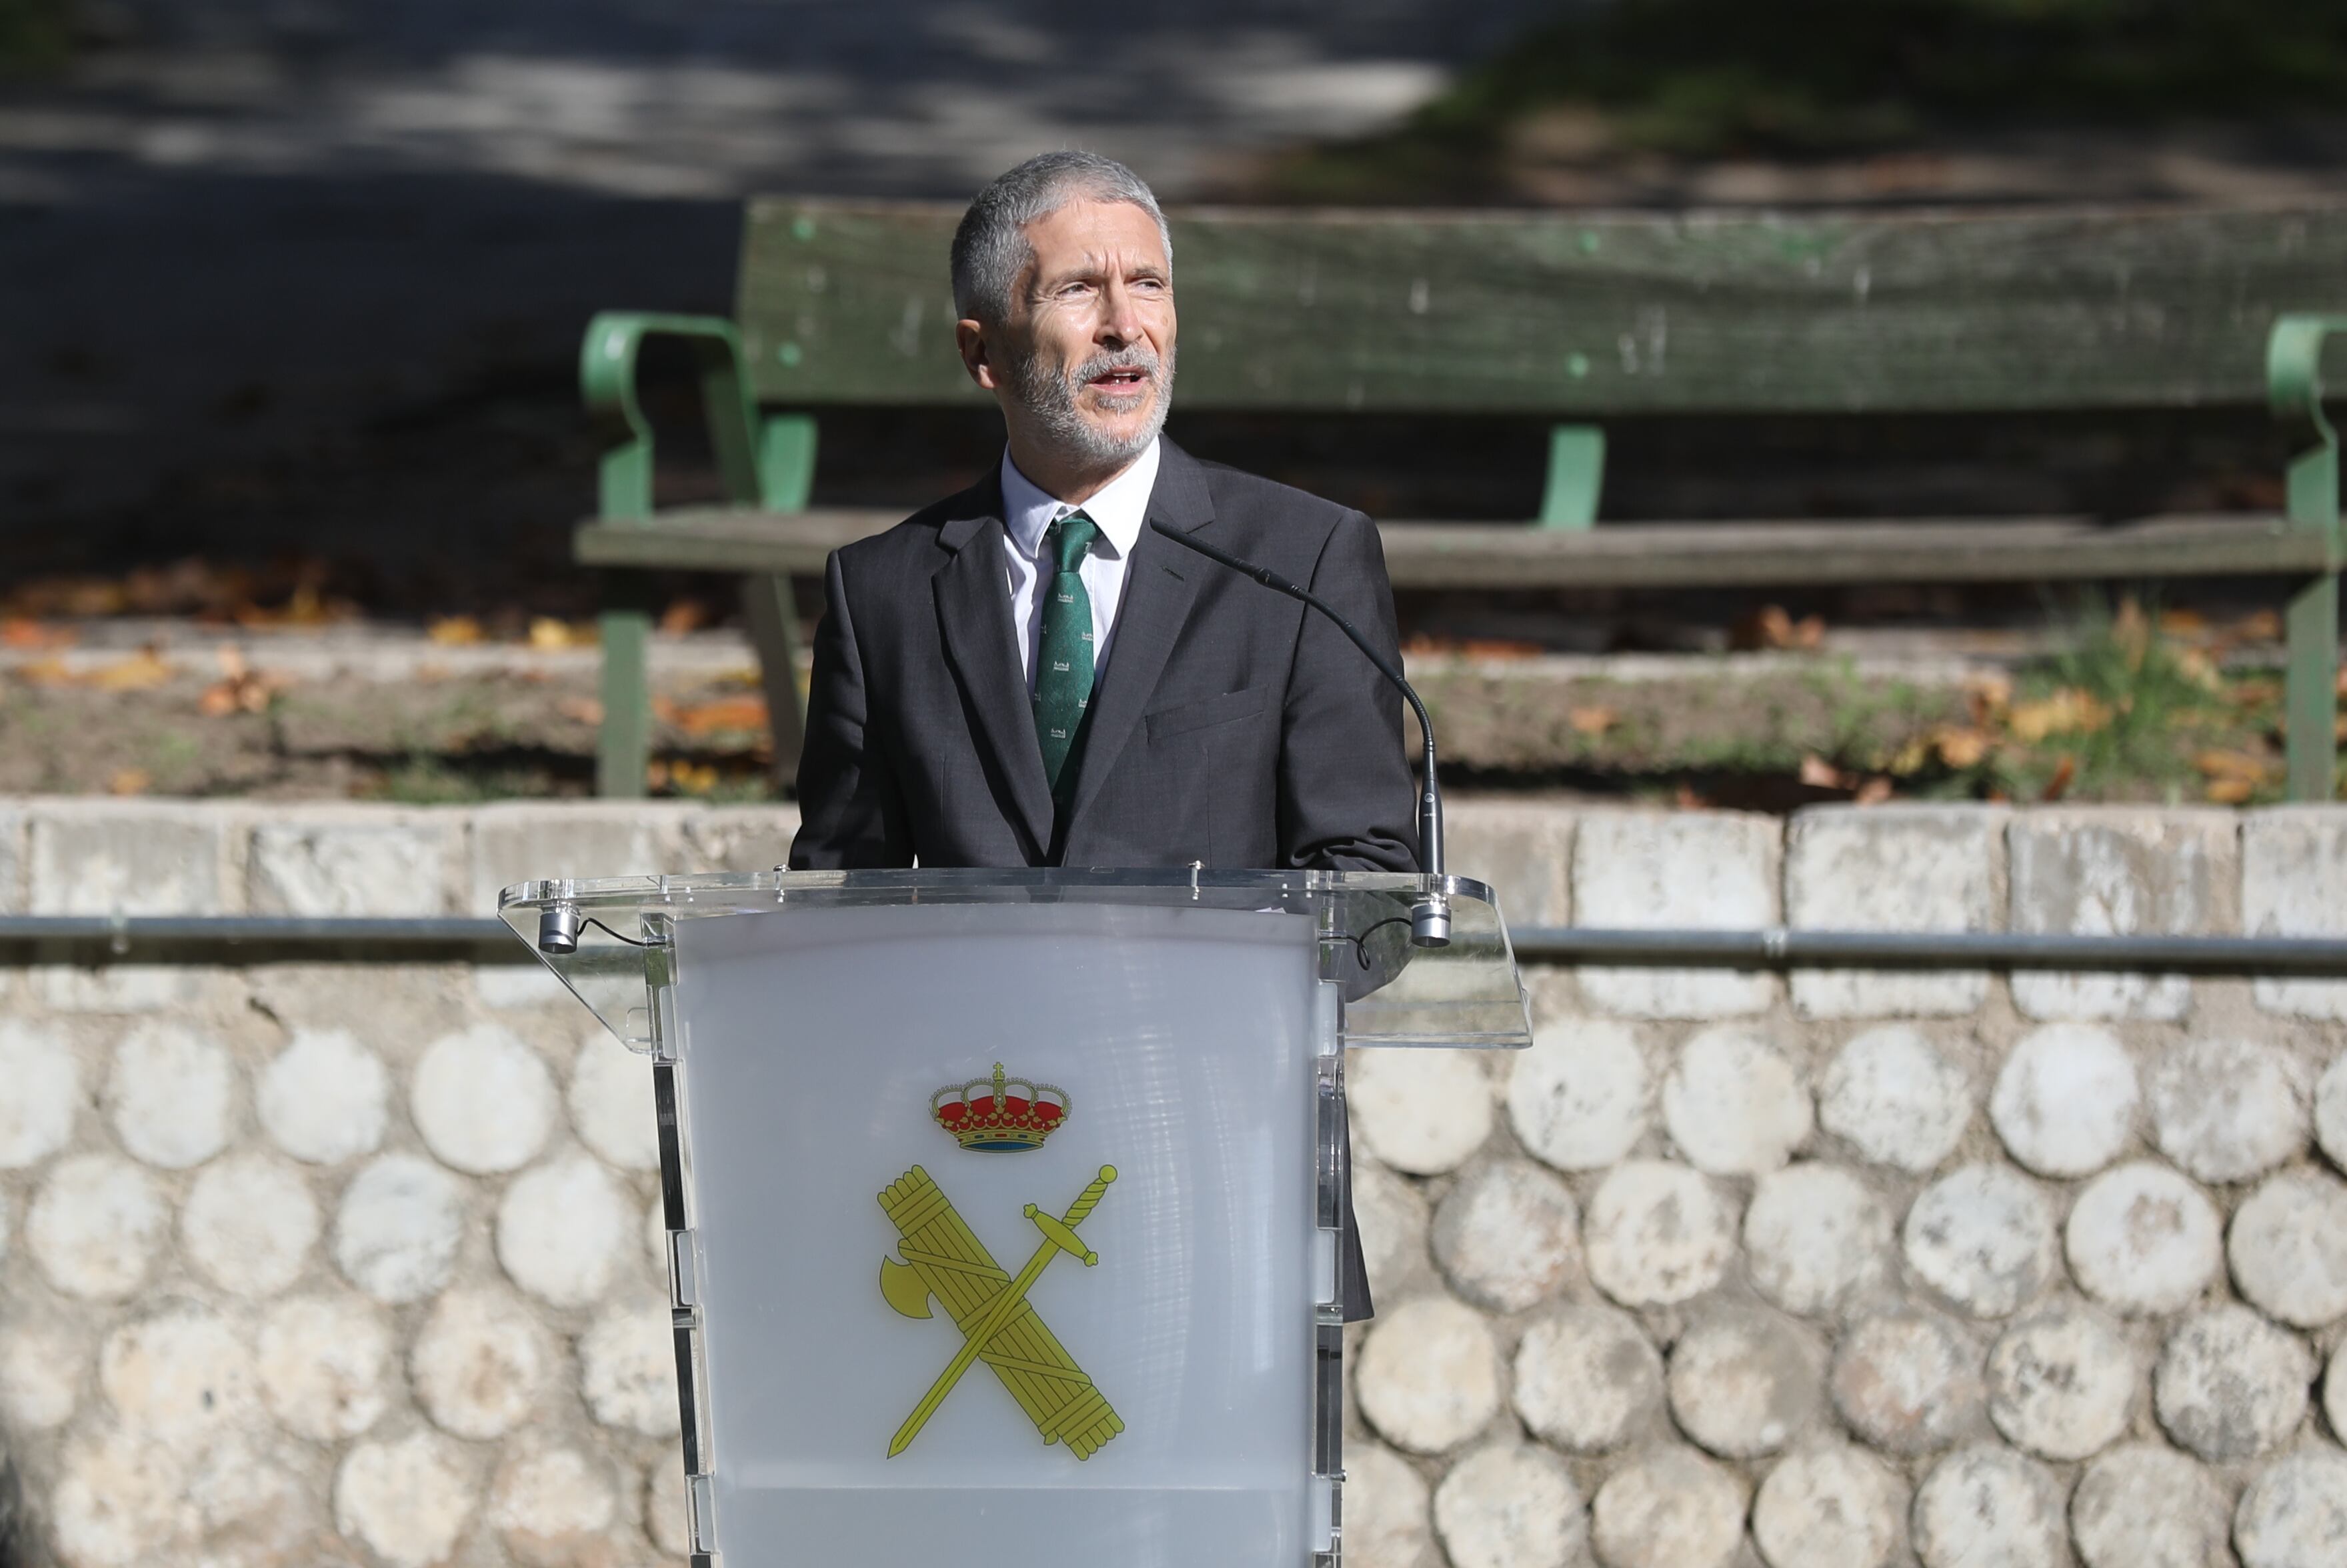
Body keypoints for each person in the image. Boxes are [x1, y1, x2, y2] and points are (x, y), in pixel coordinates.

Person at [788, 149, 1417, 875]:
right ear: (981, 351)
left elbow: (1368, 885)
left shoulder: (1300, 563)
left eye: (1148, 284)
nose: (1125, 325)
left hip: (1216, 990)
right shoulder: (881, 594)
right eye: (1078, 289)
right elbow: (842, 897)